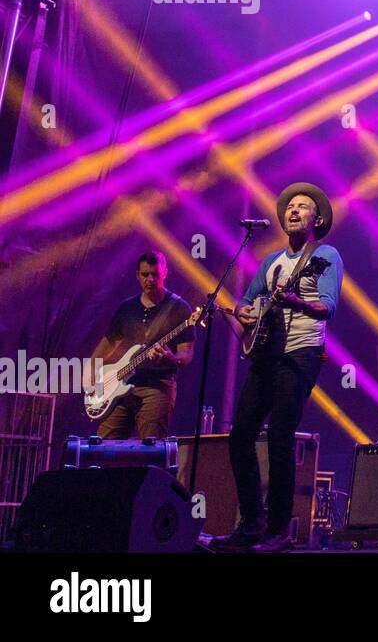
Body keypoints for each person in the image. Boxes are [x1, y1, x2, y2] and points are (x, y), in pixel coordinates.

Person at [211, 182, 343, 553]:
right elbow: (247, 301)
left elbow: (327, 307)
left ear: (317, 218)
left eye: (303, 206)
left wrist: (295, 300)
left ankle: (278, 530)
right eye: (290, 207)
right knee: (240, 437)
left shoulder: (325, 256)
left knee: (280, 436)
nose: (294, 211)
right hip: (266, 355)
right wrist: (245, 311)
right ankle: (251, 524)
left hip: (300, 353)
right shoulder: (271, 262)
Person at [88, 251, 194, 439]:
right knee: (103, 446)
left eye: (156, 274)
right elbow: (106, 345)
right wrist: (90, 377)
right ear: (137, 275)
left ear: (165, 274)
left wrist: (171, 358)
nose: (150, 279)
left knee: (150, 447)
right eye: (145, 274)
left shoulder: (179, 308)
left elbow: (186, 354)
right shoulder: (127, 307)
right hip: (120, 388)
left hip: (157, 387)